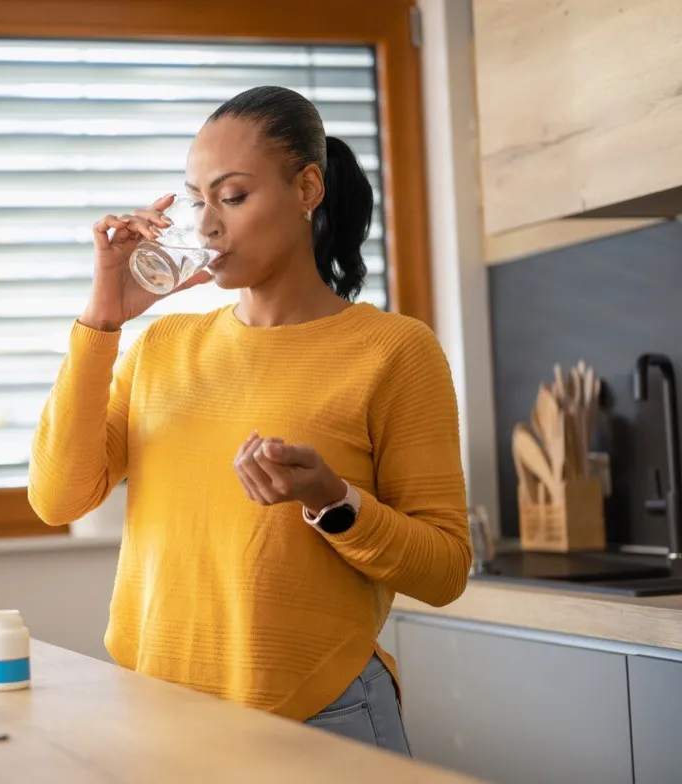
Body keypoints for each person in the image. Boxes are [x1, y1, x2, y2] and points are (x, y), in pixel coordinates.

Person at [27, 84, 470, 754]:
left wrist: (332, 500)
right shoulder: (160, 349)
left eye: (232, 197)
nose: (206, 225)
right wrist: (103, 319)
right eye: (197, 198)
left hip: (319, 718)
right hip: (157, 716)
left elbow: (444, 571)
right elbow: (58, 497)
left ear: (307, 188)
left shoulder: (394, 351)